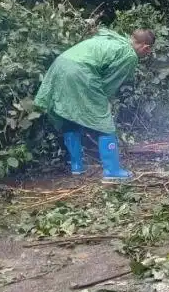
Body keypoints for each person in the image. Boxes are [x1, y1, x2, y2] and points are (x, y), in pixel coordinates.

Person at [35, 28, 155, 183]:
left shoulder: (113, 39)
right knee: (104, 123)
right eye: (148, 52)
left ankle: (77, 167)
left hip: (60, 65)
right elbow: (109, 83)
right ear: (146, 48)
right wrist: (102, 104)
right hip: (79, 72)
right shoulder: (129, 55)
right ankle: (112, 171)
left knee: (70, 116)